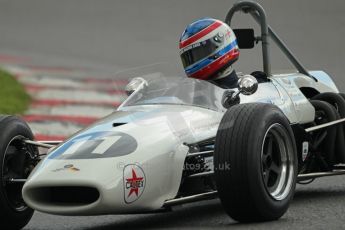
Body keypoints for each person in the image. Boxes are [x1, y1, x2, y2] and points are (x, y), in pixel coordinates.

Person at [179, 18, 240, 89]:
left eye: (199, 53)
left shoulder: (247, 89)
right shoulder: (191, 92)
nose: (194, 59)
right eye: (189, 57)